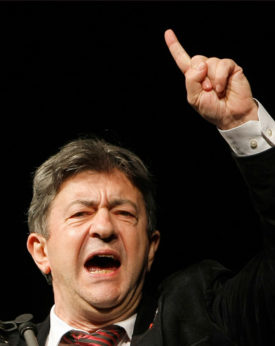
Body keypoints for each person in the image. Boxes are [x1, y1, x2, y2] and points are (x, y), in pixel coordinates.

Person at [1, 29, 275, 346]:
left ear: (151, 247)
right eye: (80, 213)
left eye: (124, 213)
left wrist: (242, 122)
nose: (104, 227)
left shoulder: (205, 313)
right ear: (41, 250)